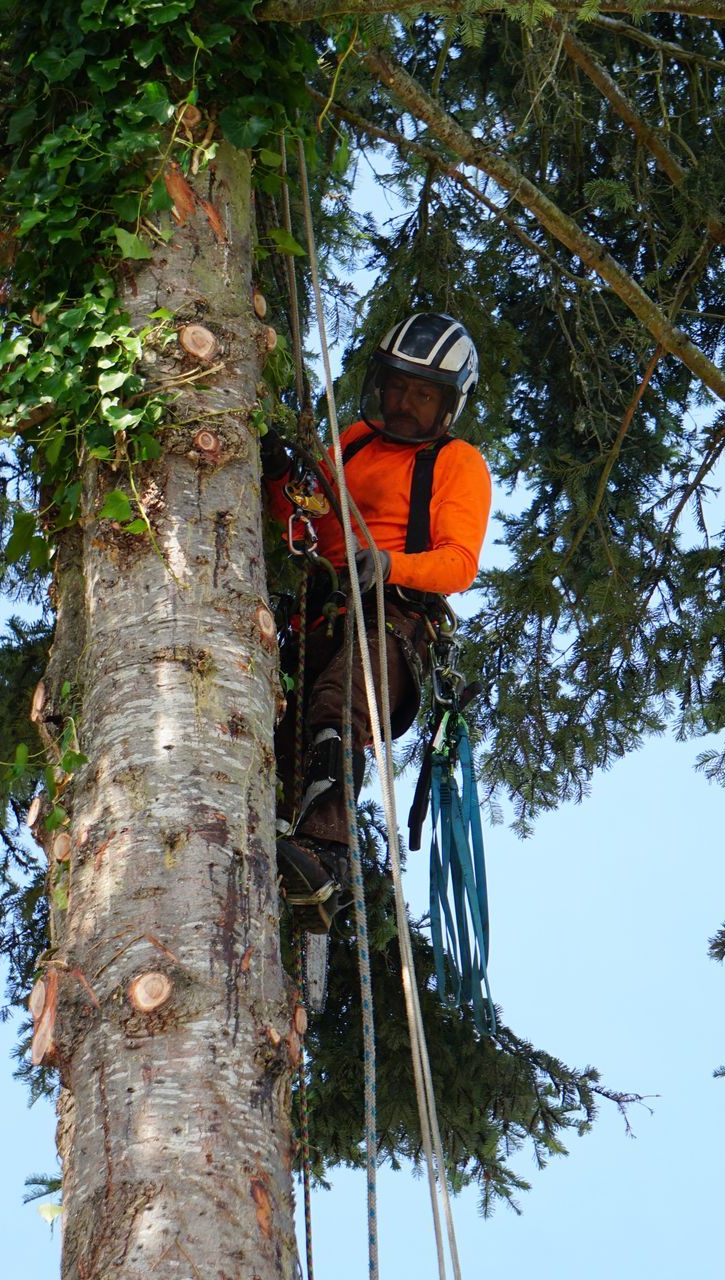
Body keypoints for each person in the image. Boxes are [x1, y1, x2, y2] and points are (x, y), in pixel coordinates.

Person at [261, 312, 494, 930]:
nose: (405, 403)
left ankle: (327, 855)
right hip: (319, 613)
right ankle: (284, 858)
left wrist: (390, 564)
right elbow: (309, 514)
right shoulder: (357, 438)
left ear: (448, 405)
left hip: (394, 618)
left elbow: (458, 564)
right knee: (278, 732)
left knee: (338, 708)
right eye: (397, 386)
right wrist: (281, 474)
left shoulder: (457, 461)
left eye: (423, 394)